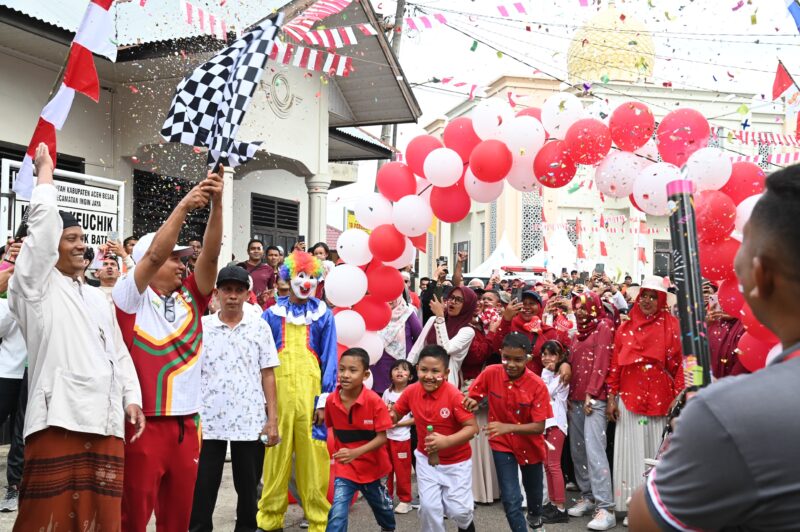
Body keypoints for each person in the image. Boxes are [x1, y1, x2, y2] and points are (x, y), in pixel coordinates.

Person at [627, 163, 800, 530]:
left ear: (761, 276)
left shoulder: (732, 414)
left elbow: (647, 522)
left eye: (743, 244)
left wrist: (695, 431)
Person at [10, 144, 144, 531]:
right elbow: (42, 230)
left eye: (82, 237)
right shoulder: (34, 288)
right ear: (49, 246)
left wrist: (131, 398)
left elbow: (117, 353)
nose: (81, 244)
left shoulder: (95, 296)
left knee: (103, 523)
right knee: (44, 522)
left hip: (106, 427)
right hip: (57, 423)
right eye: (70, 238)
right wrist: (45, 174)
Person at [114, 168, 223, 531]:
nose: (183, 263)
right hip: (143, 425)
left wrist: (217, 204)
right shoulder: (130, 298)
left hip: (187, 426)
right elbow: (155, 254)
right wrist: (183, 206)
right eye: (176, 258)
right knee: (133, 520)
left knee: (177, 522)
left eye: (183, 258)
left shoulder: (192, 295)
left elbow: (210, 255)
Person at [189, 266, 280, 532]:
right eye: (227, 290)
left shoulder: (259, 327)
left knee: (248, 489)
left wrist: (271, 420)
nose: (232, 296)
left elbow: (268, 374)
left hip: (249, 420)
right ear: (216, 293)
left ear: (247, 294)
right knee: (202, 487)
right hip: (208, 420)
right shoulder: (201, 326)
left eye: (238, 290)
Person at [257, 251, 337, 532]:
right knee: (274, 458)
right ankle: (269, 521)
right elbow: (261, 361)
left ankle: (318, 522)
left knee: (314, 460)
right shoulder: (270, 314)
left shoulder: (323, 315)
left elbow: (330, 358)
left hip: (311, 398)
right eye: (301, 276)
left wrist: (324, 400)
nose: (306, 283)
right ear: (288, 278)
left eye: (312, 277)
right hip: (277, 398)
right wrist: (265, 404)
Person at [605, 276, 684, 523]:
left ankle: (653, 508)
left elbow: (681, 363)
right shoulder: (625, 328)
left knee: (654, 452)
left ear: (661, 299)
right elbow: (616, 363)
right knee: (630, 450)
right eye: (645, 295)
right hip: (629, 396)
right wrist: (611, 396)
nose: (648, 300)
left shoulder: (672, 325)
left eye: (654, 296)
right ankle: (631, 506)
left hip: (661, 397)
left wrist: (678, 395)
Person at [463, 333, 552, 531]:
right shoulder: (490, 372)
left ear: (528, 358)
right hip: (501, 444)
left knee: (535, 496)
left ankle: (536, 519)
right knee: (511, 500)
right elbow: (475, 395)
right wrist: (472, 401)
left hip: (531, 446)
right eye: (506, 358)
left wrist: (508, 427)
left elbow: (539, 427)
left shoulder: (537, 385)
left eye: (518, 359)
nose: (511, 364)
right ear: (501, 354)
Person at [390, 345, 478, 532]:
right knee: (429, 509)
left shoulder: (454, 395)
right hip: (426, 460)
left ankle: (466, 525)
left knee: (460, 511)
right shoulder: (411, 391)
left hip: (457, 463)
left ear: (445, 373)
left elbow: (472, 428)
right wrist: (387, 417)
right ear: (417, 369)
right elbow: (396, 412)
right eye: (423, 370)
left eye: (435, 371)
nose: (428, 376)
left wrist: (446, 441)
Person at [325, 348, 396, 532]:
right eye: (341, 369)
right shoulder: (331, 401)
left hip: (374, 469)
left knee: (384, 512)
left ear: (365, 375)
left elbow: (382, 438)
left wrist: (354, 452)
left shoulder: (374, 401)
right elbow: (332, 430)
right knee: (338, 512)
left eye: (352, 370)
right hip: (346, 469)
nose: (345, 375)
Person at [566, 292, 616, 530]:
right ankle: (588, 496)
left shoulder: (604, 326)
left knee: (595, 452)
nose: (580, 311)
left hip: (594, 399)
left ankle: (605, 507)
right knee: (578, 452)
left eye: (585, 307)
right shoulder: (578, 333)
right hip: (576, 399)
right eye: (577, 307)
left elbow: (602, 360)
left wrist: (592, 393)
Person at [492, 290, 571, 379]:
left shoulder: (549, 332)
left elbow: (561, 355)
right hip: (510, 381)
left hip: (537, 384)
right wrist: (505, 320)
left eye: (532, 303)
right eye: (524, 304)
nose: (527, 307)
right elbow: (496, 347)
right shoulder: (509, 324)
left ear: (540, 307)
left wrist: (565, 365)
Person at [410, 286, 477, 387]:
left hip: (447, 382)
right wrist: (407, 368)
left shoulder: (468, 331)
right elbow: (418, 347)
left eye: (459, 300)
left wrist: (440, 318)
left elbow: (445, 349)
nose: (453, 302)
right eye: (451, 297)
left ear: (467, 305)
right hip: (424, 378)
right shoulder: (433, 320)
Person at [0, 241, 25, 513]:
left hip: (37, 371)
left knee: (22, 436)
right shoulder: (8, 291)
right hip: (8, 371)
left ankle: (14, 487)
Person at [540, 341, 570, 525]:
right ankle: (552, 503)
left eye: (551, 354)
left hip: (557, 424)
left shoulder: (563, 374)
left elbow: (546, 392)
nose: (546, 358)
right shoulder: (547, 372)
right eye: (544, 354)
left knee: (553, 465)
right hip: (546, 423)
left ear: (560, 357)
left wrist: (556, 374)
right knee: (546, 465)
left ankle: (560, 508)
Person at [381, 359, 415, 514]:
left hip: (402, 438)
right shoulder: (387, 393)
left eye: (404, 369)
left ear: (411, 376)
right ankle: (386, 498)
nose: (400, 371)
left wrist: (398, 424)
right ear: (391, 375)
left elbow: (416, 418)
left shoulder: (411, 393)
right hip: (386, 438)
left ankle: (405, 500)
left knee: (402, 470)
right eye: (396, 369)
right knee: (386, 469)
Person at [373, 294, 422, 395]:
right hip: (378, 366)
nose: (390, 301)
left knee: (399, 398)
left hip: (400, 367)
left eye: (393, 297)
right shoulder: (374, 311)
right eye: (386, 297)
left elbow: (419, 336)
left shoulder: (407, 313)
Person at [238, 239, 275, 307]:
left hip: (260, 307)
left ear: (263, 252)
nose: (256, 251)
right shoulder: (239, 267)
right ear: (248, 251)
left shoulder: (269, 269)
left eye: (259, 249)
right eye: (253, 248)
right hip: (242, 305)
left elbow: (272, 290)